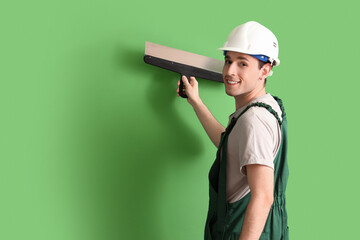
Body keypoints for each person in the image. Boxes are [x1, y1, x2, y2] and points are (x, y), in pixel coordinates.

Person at [176, 21, 289, 240]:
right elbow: (231, 145)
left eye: (242, 64)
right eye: (228, 60)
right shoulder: (265, 107)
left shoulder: (254, 120)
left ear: (264, 70)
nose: (230, 71)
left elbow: (263, 196)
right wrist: (196, 102)